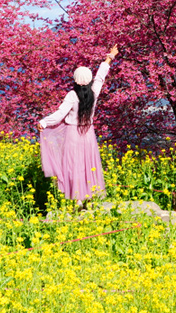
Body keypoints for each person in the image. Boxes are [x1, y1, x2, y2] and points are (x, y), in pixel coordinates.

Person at [38, 45, 119, 206]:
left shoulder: (72, 95)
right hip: (88, 134)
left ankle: (78, 200)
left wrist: (44, 122)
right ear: (89, 79)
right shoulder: (94, 92)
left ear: (75, 80)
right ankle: (89, 197)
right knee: (87, 164)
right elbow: (100, 76)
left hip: (72, 134)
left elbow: (60, 114)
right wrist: (109, 57)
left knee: (73, 165)